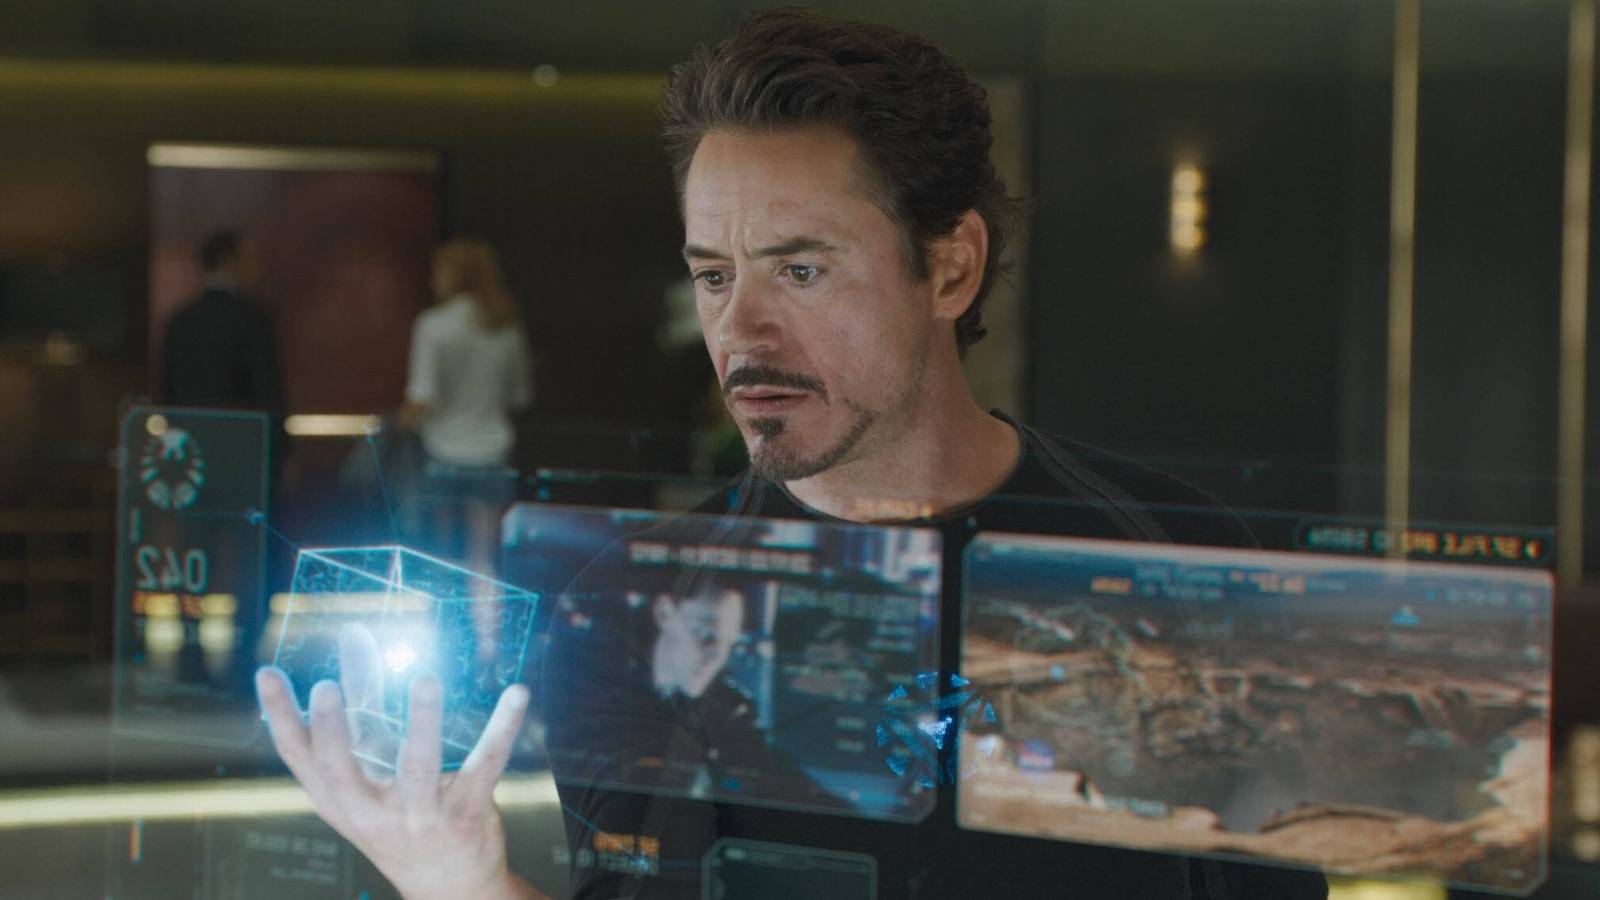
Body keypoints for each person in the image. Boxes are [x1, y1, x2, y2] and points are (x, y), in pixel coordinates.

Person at [255, 11, 1328, 899]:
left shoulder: (1177, 557)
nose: (741, 332)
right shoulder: (634, 607)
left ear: (950, 268)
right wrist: (461, 884)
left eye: (800, 271)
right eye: (715, 276)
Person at [401, 238, 534, 572]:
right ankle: (487, 609)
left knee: (443, 558)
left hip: (442, 452)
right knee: (485, 562)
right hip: (491, 451)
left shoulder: (433, 325)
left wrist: (398, 423)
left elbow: (422, 396)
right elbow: (520, 395)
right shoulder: (506, 327)